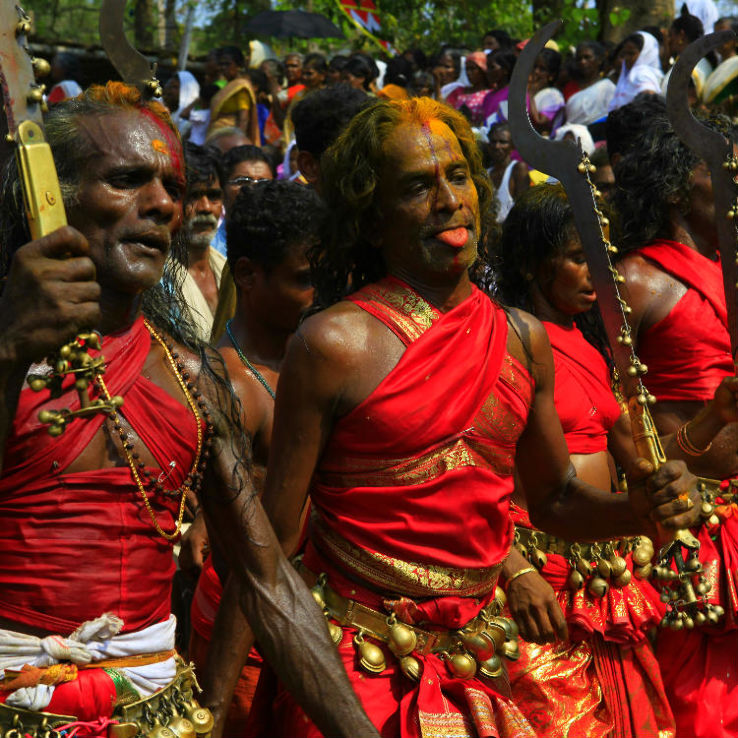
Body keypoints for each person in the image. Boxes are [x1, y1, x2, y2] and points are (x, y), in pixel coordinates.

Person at [251, 96, 699, 737]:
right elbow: (271, 545)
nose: (448, 201)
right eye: (417, 187)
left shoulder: (521, 337)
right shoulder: (332, 344)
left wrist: (641, 509)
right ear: (372, 220)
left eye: (458, 177)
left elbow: (556, 500)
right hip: (356, 668)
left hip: (485, 661)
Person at [0, 81, 377, 737]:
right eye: (127, 180)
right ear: (49, 197)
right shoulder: (9, 348)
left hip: (155, 715)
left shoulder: (193, 375)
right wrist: (9, 350)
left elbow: (266, 579)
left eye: (171, 187)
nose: (162, 205)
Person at [495, 184, 738, 738]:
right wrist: (516, 569)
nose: (597, 274)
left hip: (608, 583)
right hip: (541, 583)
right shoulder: (507, 342)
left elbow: (647, 462)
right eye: (579, 258)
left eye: (602, 257)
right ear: (533, 264)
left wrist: (715, 416)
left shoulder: (591, 349)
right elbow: (470, 471)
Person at [612, 103, 738, 738]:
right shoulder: (634, 282)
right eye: (724, 169)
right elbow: (611, 422)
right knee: (700, 710)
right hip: (688, 525)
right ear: (675, 188)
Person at [190, 180, 323, 737]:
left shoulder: (320, 355)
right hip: (243, 626)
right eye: (303, 279)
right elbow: (247, 551)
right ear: (246, 275)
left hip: (315, 615)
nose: (318, 294)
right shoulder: (226, 381)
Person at [173, 143, 227, 342]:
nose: (205, 207)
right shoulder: (157, 282)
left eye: (213, 197)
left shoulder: (227, 267)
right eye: (193, 196)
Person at [208, 46, 261, 145]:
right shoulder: (227, 86)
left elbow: (243, 119)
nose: (223, 67)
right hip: (217, 135)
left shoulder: (241, 87)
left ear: (238, 65)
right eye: (221, 64)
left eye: (227, 64)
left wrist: (237, 143)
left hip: (229, 138)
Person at [609, 31, 663, 112]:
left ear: (645, 53)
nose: (626, 58)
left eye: (631, 54)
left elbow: (649, 100)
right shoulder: (629, 75)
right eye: (625, 54)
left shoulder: (642, 73)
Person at [563, 42, 616, 125]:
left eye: (587, 57)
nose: (583, 62)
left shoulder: (607, 88)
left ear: (599, 60)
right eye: (579, 59)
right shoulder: (571, 87)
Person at [486, 121, 529, 222]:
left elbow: (523, 209)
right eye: (493, 141)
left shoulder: (518, 169)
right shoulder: (486, 173)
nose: (497, 146)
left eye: (503, 142)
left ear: (512, 146)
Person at [445, 51, 492, 126]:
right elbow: (445, 111)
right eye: (467, 69)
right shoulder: (459, 91)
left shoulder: (490, 94)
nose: (469, 73)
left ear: (483, 69)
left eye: (473, 69)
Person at [528, 47, 564, 132]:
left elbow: (540, 122)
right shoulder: (527, 89)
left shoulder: (553, 95)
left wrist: (531, 94)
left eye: (542, 69)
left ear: (552, 75)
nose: (536, 71)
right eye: (535, 67)